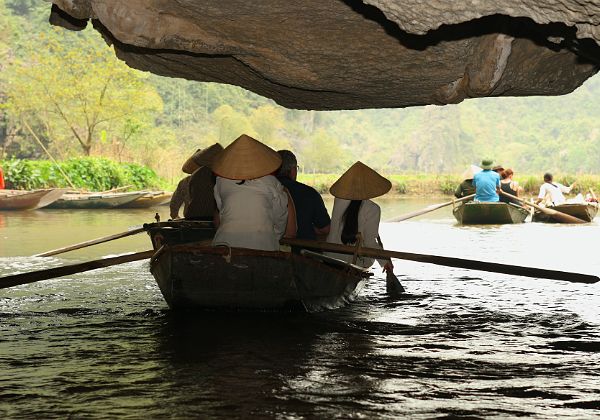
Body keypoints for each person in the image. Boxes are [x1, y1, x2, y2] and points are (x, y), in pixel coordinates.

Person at [211, 134, 296, 251]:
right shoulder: (272, 183)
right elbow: (280, 217)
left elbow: (222, 212)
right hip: (263, 246)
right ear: (259, 161)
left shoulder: (220, 182)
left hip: (225, 245)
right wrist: (272, 236)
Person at [325, 161, 393, 272]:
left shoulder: (338, 199)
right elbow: (370, 243)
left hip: (330, 255)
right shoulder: (373, 209)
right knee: (369, 245)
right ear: (369, 187)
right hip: (355, 260)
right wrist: (385, 261)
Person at [276, 150, 330, 241]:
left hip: (271, 249)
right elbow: (325, 229)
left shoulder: (266, 189)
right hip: (304, 251)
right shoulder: (310, 193)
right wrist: (307, 227)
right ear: (293, 170)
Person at [170, 143, 224, 220]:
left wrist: (176, 218)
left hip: (191, 220)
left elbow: (174, 206)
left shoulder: (185, 182)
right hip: (217, 221)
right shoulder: (224, 181)